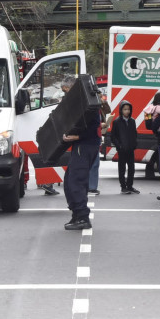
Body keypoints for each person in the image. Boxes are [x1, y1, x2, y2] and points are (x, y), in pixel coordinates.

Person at [62, 96, 102, 231]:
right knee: (69, 181)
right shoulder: (86, 102)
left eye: (66, 91)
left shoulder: (87, 104)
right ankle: (77, 214)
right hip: (84, 145)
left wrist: (78, 137)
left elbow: (93, 126)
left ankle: (82, 217)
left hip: (84, 146)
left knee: (75, 181)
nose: (65, 94)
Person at [108, 100, 140, 195]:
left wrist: (134, 144)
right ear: (121, 110)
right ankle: (123, 187)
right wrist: (119, 146)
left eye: (128, 109)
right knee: (122, 169)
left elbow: (134, 133)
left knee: (131, 168)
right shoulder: (117, 121)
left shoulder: (132, 121)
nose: (127, 111)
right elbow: (113, 136)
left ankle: (130, 186)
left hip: (130, 149)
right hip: (122, 150)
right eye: (125, 109)